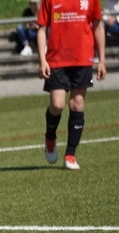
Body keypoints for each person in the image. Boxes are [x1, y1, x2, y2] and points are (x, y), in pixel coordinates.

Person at [37, 0, 107, 170]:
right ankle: (50, 137)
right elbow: (41, 29)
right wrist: (42, 60)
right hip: (56, 59)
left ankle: (70, 154)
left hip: (82, 58)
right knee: (57, 104)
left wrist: (102, 60)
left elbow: (97, 27)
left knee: (77, 103)